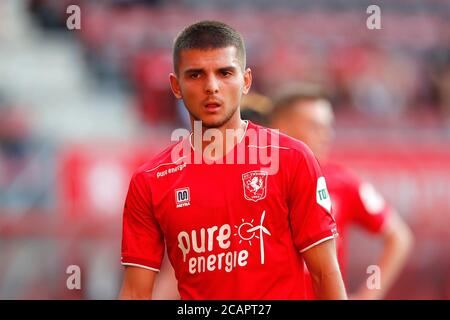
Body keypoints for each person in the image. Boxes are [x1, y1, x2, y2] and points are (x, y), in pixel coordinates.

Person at [119, 21, 347, 300]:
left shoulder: (292, 159)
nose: (211, 86)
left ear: (246, 81)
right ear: (176, 86)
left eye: (225, 73)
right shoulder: (150, 181)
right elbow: (135, 293)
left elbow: (325, 273)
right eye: (195, 75)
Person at [269, 83, 414, 299]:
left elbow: (399, 237)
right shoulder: (254, 182)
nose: (326, 135)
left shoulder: (342, 181)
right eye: (315, 126)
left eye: (329, 127)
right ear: (280, 127)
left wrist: (370, 294)